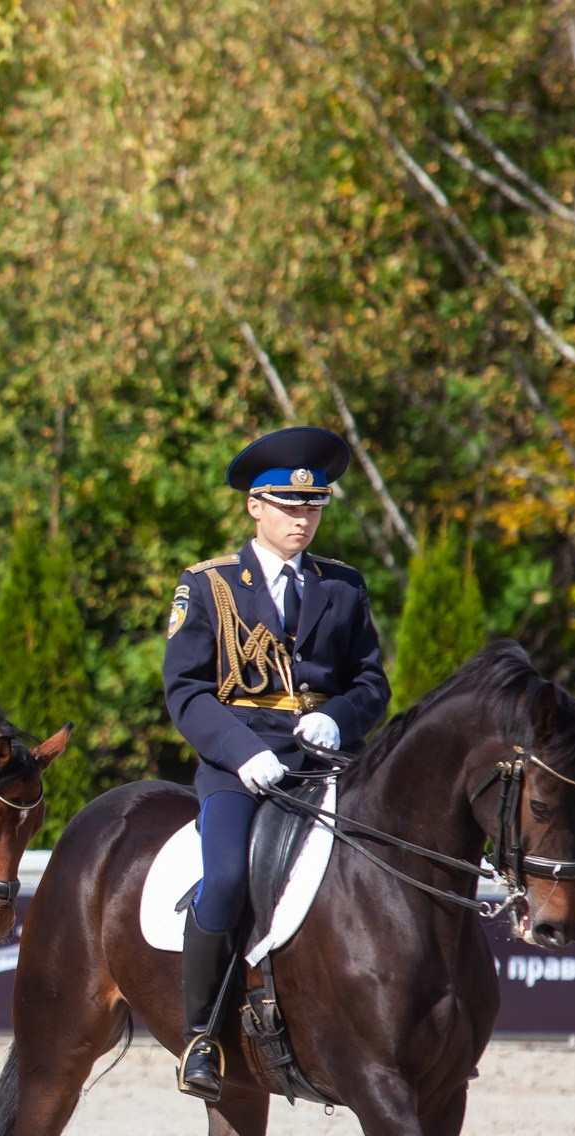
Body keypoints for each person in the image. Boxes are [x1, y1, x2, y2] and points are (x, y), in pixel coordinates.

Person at [162, 425, 388, 1100]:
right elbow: (186, 691)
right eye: (291, 508)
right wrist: (242, 752)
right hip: (240, 771)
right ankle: (200, 1035)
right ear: (255, 508)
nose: (303, 519)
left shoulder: (343, 586)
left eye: (314, 507)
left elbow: (371, 684)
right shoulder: (207, 586)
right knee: (227, 879)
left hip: (326, 766)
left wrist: (337, 716)